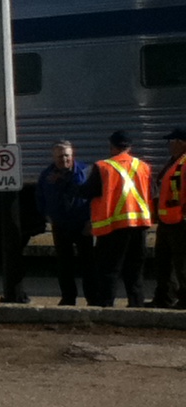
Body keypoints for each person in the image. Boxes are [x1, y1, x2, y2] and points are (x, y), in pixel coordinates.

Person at [80, 130, 152, 307]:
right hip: (139, 226)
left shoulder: (103, 167)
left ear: (112, 147)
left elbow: (87, 191)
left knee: (109, 270)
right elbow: (152, 192)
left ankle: (106, 307)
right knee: (135, 271)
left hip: (113, 227)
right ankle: (137, 306)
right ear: (129, 147)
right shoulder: (143, 166)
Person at [35, 141, 92, 305]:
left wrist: (91, 221)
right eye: (59, 156)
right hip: (60, 225)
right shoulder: (46, 175)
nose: (64, 159)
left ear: (73, 155)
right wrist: (46, 215)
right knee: (64, 264)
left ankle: (92, 297)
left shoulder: (85, 171)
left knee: (88, 264)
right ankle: (68, 298)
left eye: (67, 155)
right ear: (53, 157)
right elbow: (40, 196)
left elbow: (92, 197)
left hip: (82, 224)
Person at [148, 128, 186, 309]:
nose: (169, 145)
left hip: (181, 221)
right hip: (167, 221)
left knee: (182, 264)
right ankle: (164, 298)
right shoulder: (174, 161)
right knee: (164, 262)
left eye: (171, 142)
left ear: (181, 142)